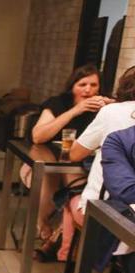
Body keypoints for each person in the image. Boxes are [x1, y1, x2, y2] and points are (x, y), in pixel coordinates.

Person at [29, 65, 113, 257]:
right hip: (41, 164)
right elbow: (38, 137)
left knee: (75, 186)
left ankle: (56, 240)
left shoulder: (102, 110)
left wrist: (111, 106)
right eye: (82, 84)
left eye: (94, 85)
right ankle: (43, 225)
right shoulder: (58, 103)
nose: (88, 90)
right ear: (72, 86)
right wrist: (75, 110)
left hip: (76, 166)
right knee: (52, 177)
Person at [57, 66, 135, 263]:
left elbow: (74, 154)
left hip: (107, 212)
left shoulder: (111, 113)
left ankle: (68, 259)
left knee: (68, 197)